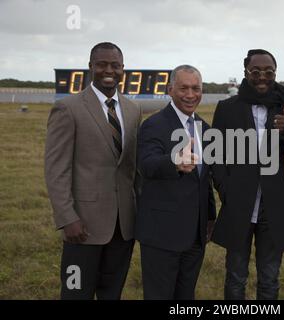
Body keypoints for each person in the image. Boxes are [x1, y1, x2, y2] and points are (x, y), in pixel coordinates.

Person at [45, 42, 142, 299]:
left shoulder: (133, 110)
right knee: (76, 293)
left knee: (112, 294)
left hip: (124, 227)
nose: (108, 70)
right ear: (90, 67)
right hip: (83, 227)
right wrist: (67, 218)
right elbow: (56, 170)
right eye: (102, 64)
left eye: (115, 65)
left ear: (123, 69)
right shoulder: (69, 108)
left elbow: (132, 169)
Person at [211, 49, 284, 299]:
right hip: (238, 204)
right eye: (256, 72)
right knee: (235, 276)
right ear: (246, 73)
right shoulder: (227, 108)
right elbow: (216, 156)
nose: (262, 77)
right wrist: (226, 190)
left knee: (269, 277)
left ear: (275, 74)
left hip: (272, 206)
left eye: (269, 72)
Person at [136, 65, 216, 300]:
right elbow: (146, 164)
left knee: (185, 296)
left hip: (195, 235)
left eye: (196, 88)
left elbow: (205, 179)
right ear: (170, 90)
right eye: (183, 88)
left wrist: (209, 216)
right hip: (162, 234)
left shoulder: (204, 128)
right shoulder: (154, 124)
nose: (190, 95)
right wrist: (174, 162)